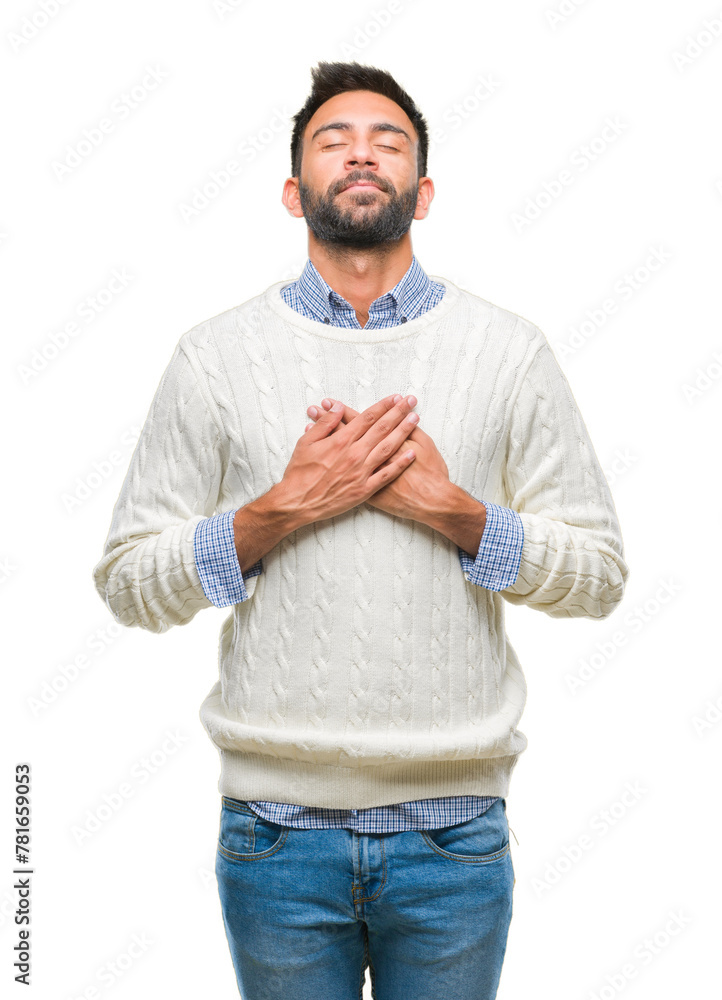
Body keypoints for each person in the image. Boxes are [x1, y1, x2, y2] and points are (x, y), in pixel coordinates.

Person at [92, 60, 629, 1000]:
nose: (361, 154)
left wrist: (451, 511)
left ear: (422, 193)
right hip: (275, 834)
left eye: (388, 140)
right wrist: (284, 507)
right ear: (294, 191)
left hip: (454, 836)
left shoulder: (508, 352)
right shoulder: (215, 357)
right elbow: (130, 582)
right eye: (333, 140)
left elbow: (599, 575)